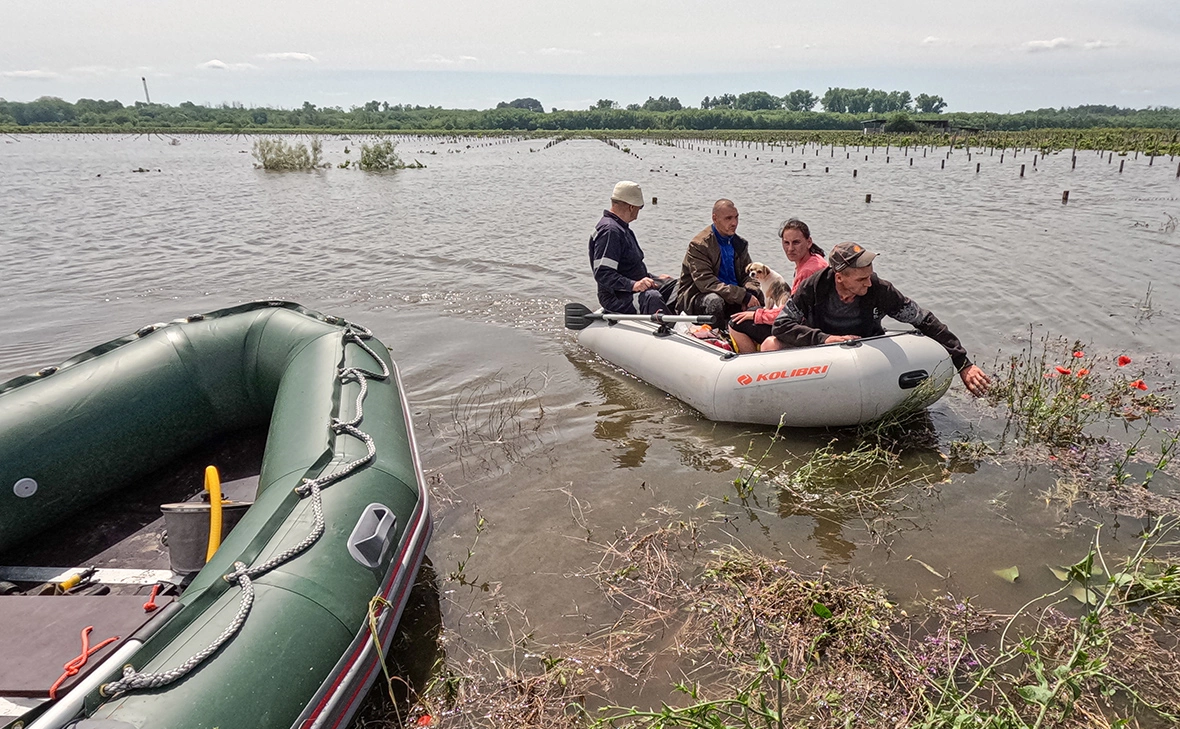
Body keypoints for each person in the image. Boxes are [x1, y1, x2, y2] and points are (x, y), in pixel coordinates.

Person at [768, 241, 991, 396]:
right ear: (840, 278)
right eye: (861, 278)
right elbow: (782, 325)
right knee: (770, 344)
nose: (868, 282)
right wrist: (825, 339)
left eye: (870, 275)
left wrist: (963, 364)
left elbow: (923, 320)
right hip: (823, 353)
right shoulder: (813, 287)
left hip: (865, 354)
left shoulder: (880, 290)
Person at [729, 218, 828, 352]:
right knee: (751, 312)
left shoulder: (808, 271)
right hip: (808, 322)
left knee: (735, 323)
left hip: (804, 328)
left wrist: (758, 316)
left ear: (809, 242)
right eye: (786, 243)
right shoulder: (815, 259)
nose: (790, 248)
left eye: (796, 242)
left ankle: (750, 362)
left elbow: (794, 313)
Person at [589, 181, 675, 314]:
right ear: (631, 207)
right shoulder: (610, 231)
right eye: (639, 208)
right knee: (653, 298)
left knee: (678, 286)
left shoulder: (622, 229)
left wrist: (655, 278)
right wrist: (633, 285)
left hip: (634, 288)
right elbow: (603, 273)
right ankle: (676, 328)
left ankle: (698, 322)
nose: (638, 213)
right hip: (617, 298)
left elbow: (630, 268)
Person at [674, 199, 761, 326]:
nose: (734, 223)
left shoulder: (739, 243)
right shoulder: (699, 245)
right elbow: (707, 283)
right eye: (728, 218)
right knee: (715, 301)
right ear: (715, 218)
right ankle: (717, 336)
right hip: (699, 296)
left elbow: (749, 275)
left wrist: (751, 293)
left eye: (736, 217)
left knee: (759, 297)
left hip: (733, 294)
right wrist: (743, 296)